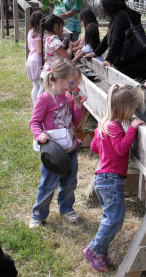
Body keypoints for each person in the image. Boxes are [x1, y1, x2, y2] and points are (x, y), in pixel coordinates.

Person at [83, 84, 144, 273]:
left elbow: (94, 147)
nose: (134, 113)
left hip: (103, 178)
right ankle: (94, 250)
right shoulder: (115, 126)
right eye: (133, 109)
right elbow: (121, 149)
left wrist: (105, 147)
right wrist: (132, 129)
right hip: (111, 180)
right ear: (125, 109)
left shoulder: (104, 123)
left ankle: (101, 251)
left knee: (111, 218)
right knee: (114, 220)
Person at [29, 60, 85, 229]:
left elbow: (75, 122)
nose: (75, 85)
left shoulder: (68, 98)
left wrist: (77, 106)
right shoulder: (45, 99)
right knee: (48, 184)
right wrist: (39, 135)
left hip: (71, 148)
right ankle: (38, 215)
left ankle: (66, 209)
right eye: (72, 82)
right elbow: (34, 122)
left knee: (69, 182)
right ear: (60, 80)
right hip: (54, 152)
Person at [85, 0, 146, 82]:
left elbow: (117, 40)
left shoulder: (120, 17)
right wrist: (96, 53)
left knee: (131, 91)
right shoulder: (127, 13)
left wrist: (108, 60)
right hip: (143, 58)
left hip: (133, 63)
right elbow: (109, 36)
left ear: (109, 7)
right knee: (138, 89)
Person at [40, 14, 73, 79]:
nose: (62, 30)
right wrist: (70, 48)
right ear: (55, 27)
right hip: (55, 75)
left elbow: (53, 53)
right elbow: (67, 58)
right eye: (62, 27)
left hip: (47, 72)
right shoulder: (55, 42)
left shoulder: (46, 38)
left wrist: (62, 45)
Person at [26, 11, 44, 106]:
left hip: (30, 60)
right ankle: (39, 107)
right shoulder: (37, 34)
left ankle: (35, 107)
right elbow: (39, 51)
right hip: (36, 61)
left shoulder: (30, 32)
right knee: (42, 86)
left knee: (35, 85)